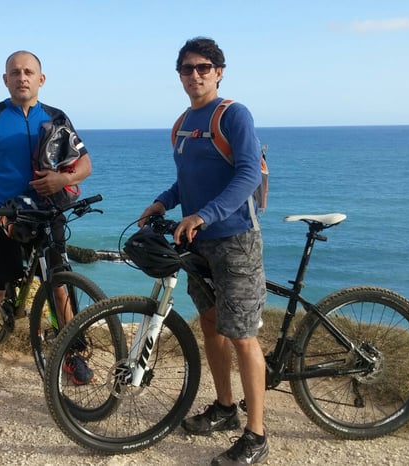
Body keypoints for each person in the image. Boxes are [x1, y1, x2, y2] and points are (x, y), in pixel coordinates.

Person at [0, 50, 93, 411]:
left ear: (41, 79)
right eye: (15, 72)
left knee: (59, 289)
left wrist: (63, 179)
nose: (22, 77)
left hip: (48, 213)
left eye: (29, 72)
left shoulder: (57, 117)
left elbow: (85, 163)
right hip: (4, 215)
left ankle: (72, 354)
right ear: (5, 79)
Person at [138, 37, 268, 465]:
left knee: (243, 336)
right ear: (179, 75)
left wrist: (204, 215)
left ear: (219, 71)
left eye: (204, 67)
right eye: (187, 68)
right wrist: (163, 202)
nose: (195, 74)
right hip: (199, 242)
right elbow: (186, 181)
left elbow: (248, 174)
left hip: (234, 239)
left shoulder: (233, 115)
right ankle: (226, 408)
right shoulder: (181, 124)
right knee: (211, 326)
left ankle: (257, 434)